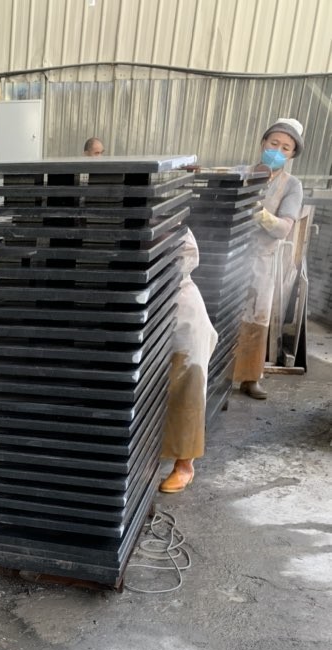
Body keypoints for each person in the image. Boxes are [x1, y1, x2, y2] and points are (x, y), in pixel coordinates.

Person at [232, 118, 304, 399]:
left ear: (292, 154)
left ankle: (250, 378)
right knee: (224, 318)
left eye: (285, 148)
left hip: (262, 260)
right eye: (274, 143)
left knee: (256, 320)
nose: (277, 151)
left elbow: (284, 228)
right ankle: (218, 379)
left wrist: (259, 213)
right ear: (263, 143)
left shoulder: (291, 185)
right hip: (231, 258)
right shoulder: (241, 174)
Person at [159, 229, 218, 493]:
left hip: (181, 310)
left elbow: (188, 258)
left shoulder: (174, 224)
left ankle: (185, 466)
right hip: (150, 306)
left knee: (188, 386)